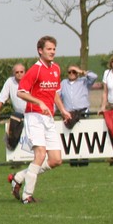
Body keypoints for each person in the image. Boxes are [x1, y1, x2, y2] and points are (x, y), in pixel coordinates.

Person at [9, 36, 71, 204]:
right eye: (49, 49)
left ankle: (18, 177)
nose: (52, 52)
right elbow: (20, 92)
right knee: (40, 154)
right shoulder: (35, 70)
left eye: (54, 49)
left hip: (48, 117)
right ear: (40, 50)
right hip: (34, 116)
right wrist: (39, 102)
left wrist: (63, 110)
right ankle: (27, 196)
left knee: (56, 160)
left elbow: (54, 92)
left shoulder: (56, 68)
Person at [0, 63, 27, 151]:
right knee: (12, 136)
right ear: (13, 73)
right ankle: (12, 149)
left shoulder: (31, 80)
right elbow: (2, 98)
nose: (19, 74)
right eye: (17, 72)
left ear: (25, 72)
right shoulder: (10, 82)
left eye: (21, 72)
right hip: (19, 114)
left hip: (33, 114)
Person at [59, 64, 97, 130]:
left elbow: (94, 76)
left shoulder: (84, 81)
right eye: (69, 72)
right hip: (69, 114)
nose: (71, 73)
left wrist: (81, 71)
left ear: (78, 73)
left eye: (74, 71)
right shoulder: (63, 83)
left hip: (82, 112)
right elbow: (57, 98)